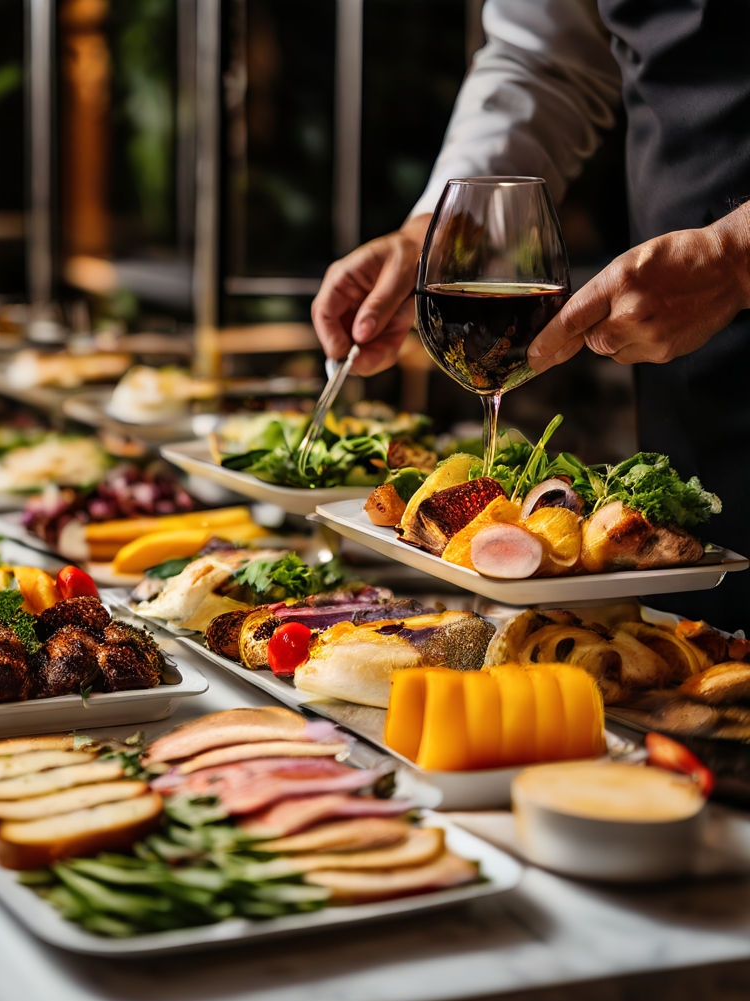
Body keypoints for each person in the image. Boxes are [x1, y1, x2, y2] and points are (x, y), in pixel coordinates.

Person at [311, 0, 750, 625]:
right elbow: (545, 63)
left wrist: (736, 256)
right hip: (688, 384)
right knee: (695, 649)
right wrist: (434, 237)